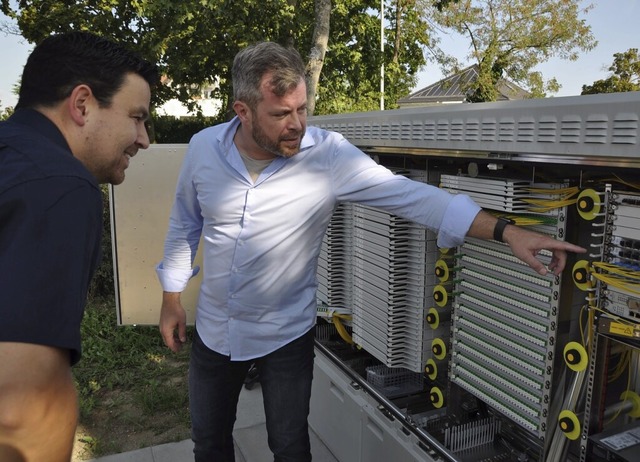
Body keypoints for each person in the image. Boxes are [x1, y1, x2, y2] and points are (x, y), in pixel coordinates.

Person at [157, 41, 586, 462]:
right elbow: (185, 225)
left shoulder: (326, 156)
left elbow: (412, 196)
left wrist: (507, 231)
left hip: (284, 337)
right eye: (281, 114)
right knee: (209, 445)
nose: (297, 124)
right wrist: (171, 298)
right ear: (243, 111)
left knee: (289, 448)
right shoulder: (204, 149)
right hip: (215, 333)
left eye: (303, 109)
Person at [0, 31, 158, 462]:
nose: (144, 139)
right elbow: (20, 412)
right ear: (83, 104)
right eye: (137, 117)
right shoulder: (61, 184)